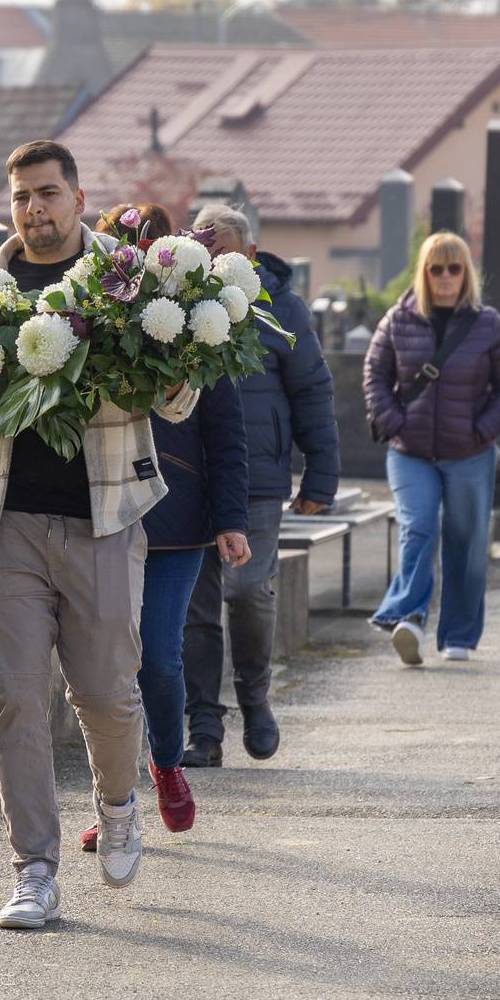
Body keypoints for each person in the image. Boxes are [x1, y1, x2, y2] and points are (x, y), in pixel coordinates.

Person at [0, 140, 199, 931]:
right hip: (2, 523)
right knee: (13, 700)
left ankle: (118, 802)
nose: (33, 209)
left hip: (103, 518)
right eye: (21, 198)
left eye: (47, 193)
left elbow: (177, 401)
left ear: (78, 197)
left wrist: (177, 367)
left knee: (108, 695)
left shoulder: (131, 281)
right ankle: (34, 869)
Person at [73, 204, 250, 854]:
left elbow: (228, 438)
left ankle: (167, 764)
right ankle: (114, 802)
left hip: (176, 520)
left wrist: (231, 521)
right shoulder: (91, 318)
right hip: (106, 511)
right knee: (104, 668)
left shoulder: (200, 332)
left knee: (157, 654)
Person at [181, 203, 338, 768]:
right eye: (207, 250)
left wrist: (321, 474)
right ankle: (203, 727)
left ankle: (254, 698)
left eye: (224, 251)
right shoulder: (176, 302)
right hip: (191, 476)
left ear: (248, 254)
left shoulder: (283, 310)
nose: (215, 261)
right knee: (194, 609)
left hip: (260, 477)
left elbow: (313, 392)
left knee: (247, 593)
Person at [363, 231, 500, 664]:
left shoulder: (488, 324)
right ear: (425, 273)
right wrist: (395, 420)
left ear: (465, 273)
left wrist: (482, 430)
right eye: (437, 268)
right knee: (419, 527)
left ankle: (459, 635)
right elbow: (375, 373)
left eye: (454, 268)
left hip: (469, 452)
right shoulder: (399, 318)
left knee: (467, 543)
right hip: (410, 452)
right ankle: (408, 617)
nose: (446, 276)